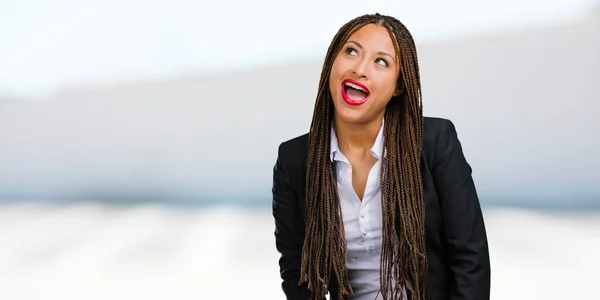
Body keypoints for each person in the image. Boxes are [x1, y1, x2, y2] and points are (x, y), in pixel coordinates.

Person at [271, 13, 490, 300]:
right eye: (351, 51)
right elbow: (296, 270)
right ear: (331, 64)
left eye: (381, 61)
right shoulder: (294, 160)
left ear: (399, 85)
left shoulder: (436, 141)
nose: (360, 69)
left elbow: (470, 259)